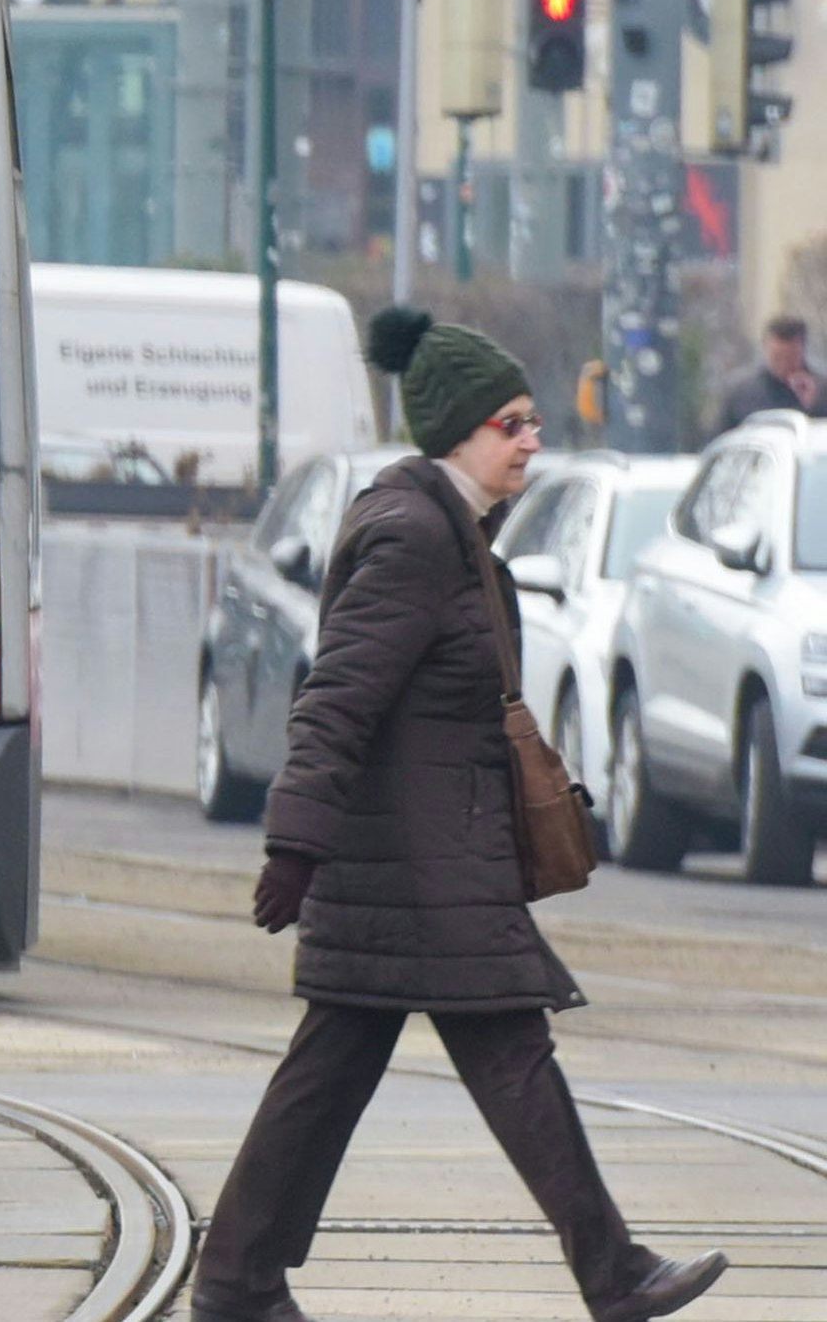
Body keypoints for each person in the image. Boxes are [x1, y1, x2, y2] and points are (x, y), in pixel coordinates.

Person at [188, 306, 726, 1322]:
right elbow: (336, 697)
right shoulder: (413, 537)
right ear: (455, 433)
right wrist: (294, 843)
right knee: (501, 1057)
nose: (531, 441)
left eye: (531, 421)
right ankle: (612, 1273)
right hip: (419, 869)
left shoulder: (448, 531)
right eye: (510, 424)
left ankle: (236, 1282)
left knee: (341, 1068)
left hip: (424, 862)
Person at [707, 313, 818, 435]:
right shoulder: (741, 394)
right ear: (765, 348)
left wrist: (813, 405)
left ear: (803, 350)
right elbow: (720, 438)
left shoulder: (820, 391)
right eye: (778, 357)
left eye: (791, 357)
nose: (784, 364)